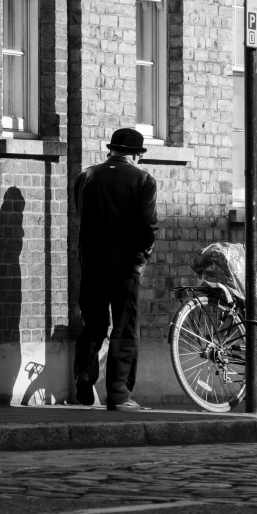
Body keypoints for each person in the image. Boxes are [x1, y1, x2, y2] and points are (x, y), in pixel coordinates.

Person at [73, 128, 158, 412]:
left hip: (92, 264)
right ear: (136, 155)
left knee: (94, 325)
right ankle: (119, 394)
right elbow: (148, 226)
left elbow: (80, 213)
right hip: (125, 267)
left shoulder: (86, 176)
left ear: (111, 150)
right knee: (124, 329)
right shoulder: (143, 179)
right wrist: (141, 256)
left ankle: (84, 373)